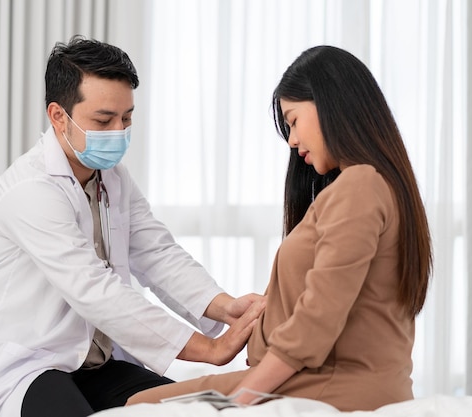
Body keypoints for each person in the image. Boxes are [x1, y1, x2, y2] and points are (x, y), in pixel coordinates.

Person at [0, 36, 264, 417]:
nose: (119, 131)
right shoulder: (30, 190)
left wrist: (228, 308)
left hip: (92, 365)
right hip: (25, 368)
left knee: (190, 409)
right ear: (58, 116)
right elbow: (95, 291)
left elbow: (157, 253)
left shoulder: (113, 178)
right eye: (104, 120)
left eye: (127, 118)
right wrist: (208, 349)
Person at [127, 45, 433, 411]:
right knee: (140, 402)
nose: (291, 140)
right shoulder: (371, 186)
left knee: (137, 408)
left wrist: (241, 400)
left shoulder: (360, 186)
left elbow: (316, 321)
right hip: (335, 380)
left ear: (330, 104)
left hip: (333, 385)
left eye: (293, 120)